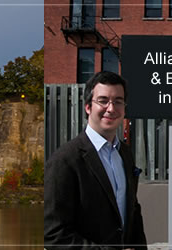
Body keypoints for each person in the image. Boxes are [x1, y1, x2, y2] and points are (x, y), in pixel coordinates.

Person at [40, 71, 147, 249]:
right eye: (103, 101)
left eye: (118, 101)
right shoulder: (65, 160)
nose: (111, 108)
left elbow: (133, 212)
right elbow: (53, 235)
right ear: (88, 107)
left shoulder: (125, 154)